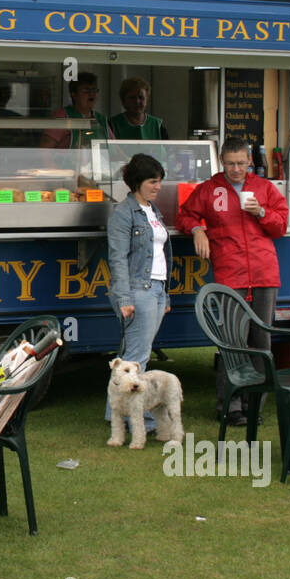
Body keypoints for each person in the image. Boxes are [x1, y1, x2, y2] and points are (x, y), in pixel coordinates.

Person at [177, 137, 288, 425]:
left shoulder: (264, 188)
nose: (235, 169)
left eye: (240, 163)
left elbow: (280, 226)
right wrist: (198, 229)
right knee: (231, 341)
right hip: (230, 272)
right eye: (230, 164)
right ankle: (229, 406)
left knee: (261, 341)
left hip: (264, 273)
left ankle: (255, 406)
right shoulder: (210, 189)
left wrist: (261, 212)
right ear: (222, 162)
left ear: (250, 161)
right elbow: (185, 215)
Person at [105, 153, 173, 434]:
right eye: (152, 182)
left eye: (159, 182)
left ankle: (116, 414)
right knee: (136, 358)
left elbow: (160, 255)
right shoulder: (123, 213)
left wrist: (165, 296)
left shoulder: (152, 210)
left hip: (155, 289)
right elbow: (117, 258)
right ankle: (136, 421)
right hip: (137, 290)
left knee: (132, 356)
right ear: (136, 182)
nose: (157, 187)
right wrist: (124, 299)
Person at [39, 71, 113, 149]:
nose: (92, 94)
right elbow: (45, 150)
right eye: (86, 91)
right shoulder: (62, 116)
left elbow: (116, 149)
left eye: (94, 90)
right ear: (74, 94)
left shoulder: (101, 120)